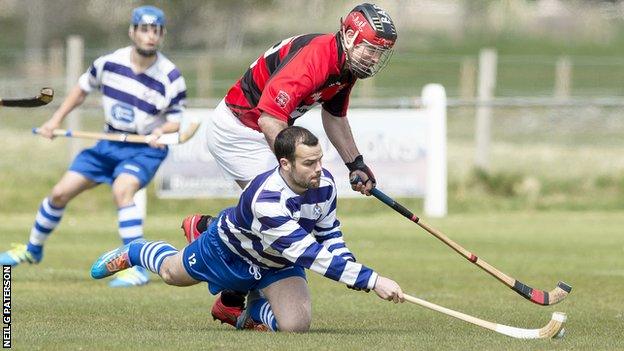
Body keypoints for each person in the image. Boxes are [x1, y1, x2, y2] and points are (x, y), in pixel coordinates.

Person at [90, 126, 404, 332]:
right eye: (309, 163)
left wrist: (351, 270)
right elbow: (309, 253)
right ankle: (135, 252)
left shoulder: (325, 185)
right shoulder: (266, 199)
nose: (318, 169)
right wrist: (371, 280)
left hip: (276, 263)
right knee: (172, 274)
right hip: (228, 252)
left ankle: (252, 310)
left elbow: (328, 234)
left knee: (295, 326)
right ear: (285, 164)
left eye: (320, 160)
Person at [200, 1, 397, 323]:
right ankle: (210, 233)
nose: (373, 58)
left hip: (263, 128)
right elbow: (269, 119)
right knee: (282, 216)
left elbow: (334, 116)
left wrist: (355, 164)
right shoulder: (314, 60)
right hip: (239, 130)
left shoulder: (347, 66)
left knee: (279, 220)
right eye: (369, 49)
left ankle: (231, 298)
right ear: (348, 35)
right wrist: (292, 171)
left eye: (380, 52)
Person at [0, 5, 187, 288]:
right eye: (145, 29)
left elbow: (176, 121)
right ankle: (32, 249)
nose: (150, 36)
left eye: (156, 31)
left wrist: (161, 130)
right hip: (109, 142)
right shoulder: (109, 63)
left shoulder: (171, 76)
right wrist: (55, 119)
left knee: (122, 190)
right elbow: (81, 89)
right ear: (132, 31)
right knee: (60, 193)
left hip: (145, 148)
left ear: (161, 35)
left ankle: (136, 267)